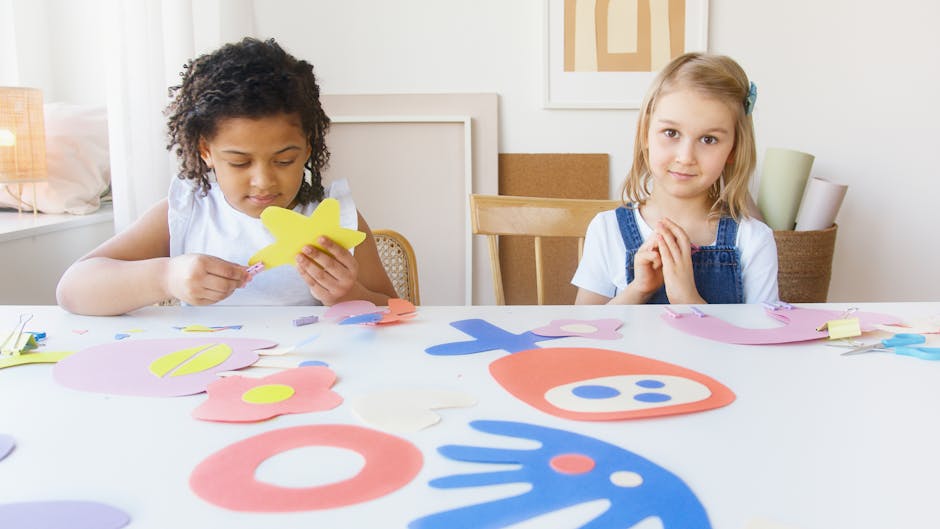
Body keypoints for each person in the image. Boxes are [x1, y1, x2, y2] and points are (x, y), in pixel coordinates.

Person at [57, 37, 397, 315]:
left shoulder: (337, 219)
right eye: (239, 163)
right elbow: (73, 290)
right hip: (207, 374)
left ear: (307, 148)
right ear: (205, 151)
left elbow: (403, 313)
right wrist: (166, 276)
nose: (263, 181)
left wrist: (346, 293)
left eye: (284, 160)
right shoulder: (188, 212)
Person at [573, 52, 778, 305]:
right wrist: (638, 289)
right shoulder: (606, 230)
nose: (685, 156)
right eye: (671, 132)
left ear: (733, 150)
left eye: (709, 139)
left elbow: (758, 341)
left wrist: (687, 297)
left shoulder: (754, 240)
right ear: (646, 134)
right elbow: (584, 330)